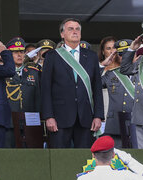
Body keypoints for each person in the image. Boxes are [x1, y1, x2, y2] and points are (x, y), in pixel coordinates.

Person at [41, 18, 104, 148]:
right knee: (60, 159)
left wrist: (98, 116)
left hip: (86, 117)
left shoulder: (91, 56)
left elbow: (97, 88)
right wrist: (48, 116)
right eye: (70, 29)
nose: (75, 32)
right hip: (59, 117)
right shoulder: (52, 56)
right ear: (62, 34)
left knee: (85, 159)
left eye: (77, 29)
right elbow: (45, 89)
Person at [5, 37, 42, 148]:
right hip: (9, 123)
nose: (19, 55)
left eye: (21, 52)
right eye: (15, 52)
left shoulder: (34, 72)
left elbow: (38, 98)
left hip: (30, 123)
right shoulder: (3, 73)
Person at [100, 39, 137, 148]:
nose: (123, 58)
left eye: (127, 54)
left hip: (136, 122)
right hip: (115, 124)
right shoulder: (111, 74)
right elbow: (94, 84)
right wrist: (102, 65)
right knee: (116, 159)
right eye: (121, 55)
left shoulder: (141, 73)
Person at [77, 135, 143, 180]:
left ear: (93, 155)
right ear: (113, 155)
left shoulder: (83, 178)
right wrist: (128, 159)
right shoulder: (125, 176)